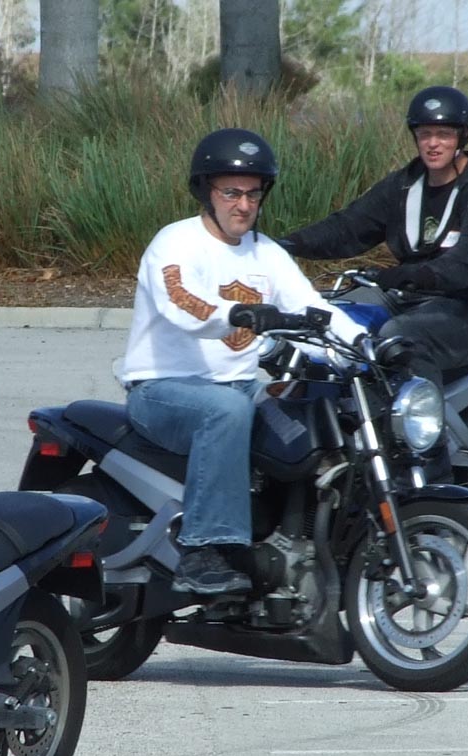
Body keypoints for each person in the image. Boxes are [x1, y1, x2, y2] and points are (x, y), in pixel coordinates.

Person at [119, 128, 366, 596]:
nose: (244, 205)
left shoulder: (266, 252)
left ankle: (298, 538)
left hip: (240, 387)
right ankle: (203, 550)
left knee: (314, 410)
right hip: (161, 391)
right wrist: (238, 313)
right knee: (226, 410)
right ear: (205, 192)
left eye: (253, 194)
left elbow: (314, 309)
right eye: (231, 192)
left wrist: (366, 344)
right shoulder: (175, 243)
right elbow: (181, 303)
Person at [279, 85, 468, 396]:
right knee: (329, 319)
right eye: (424, 134)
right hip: (408, 297)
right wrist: (287, 245)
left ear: (463, 137)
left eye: (443, 134)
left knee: (400, 336)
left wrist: (408, 275)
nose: (433, 143)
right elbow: (349, 227)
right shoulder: (404, 185)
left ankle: (423, 423)